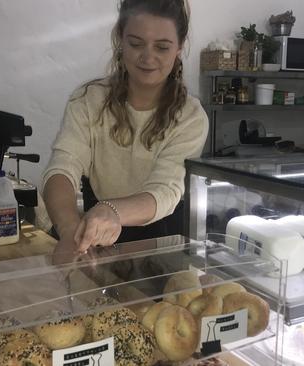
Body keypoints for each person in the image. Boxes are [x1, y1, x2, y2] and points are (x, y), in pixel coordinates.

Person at [41, 0, 208, 255]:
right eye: (136, 43)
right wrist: (69, 233)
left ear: (179, 47)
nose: (148, 57)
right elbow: (62, 168)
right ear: (120, 38)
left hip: (161, 243)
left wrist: (113, 211)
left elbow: (165, 190)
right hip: (96, 235)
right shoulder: (88, 101)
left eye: (162, 47)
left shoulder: (190, 116)